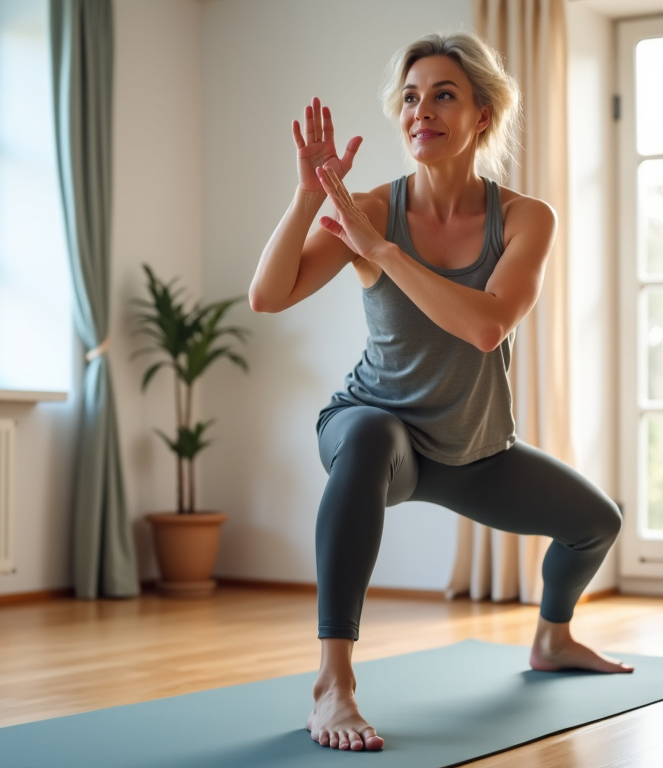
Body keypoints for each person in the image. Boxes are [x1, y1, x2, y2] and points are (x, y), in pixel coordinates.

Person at [247, 31, 629, 754]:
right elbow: (267, 296)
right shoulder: (369, 207)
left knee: (597, 523)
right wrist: (306, 198)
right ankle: (333, 682)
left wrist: (382, 253)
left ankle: (553, 638)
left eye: (443, 95)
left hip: (472, 448)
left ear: (482, 115)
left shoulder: (524, 217)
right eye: (411, 97)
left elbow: (486, 326)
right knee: (369, 433)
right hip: (375, 429)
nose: (421, 111)